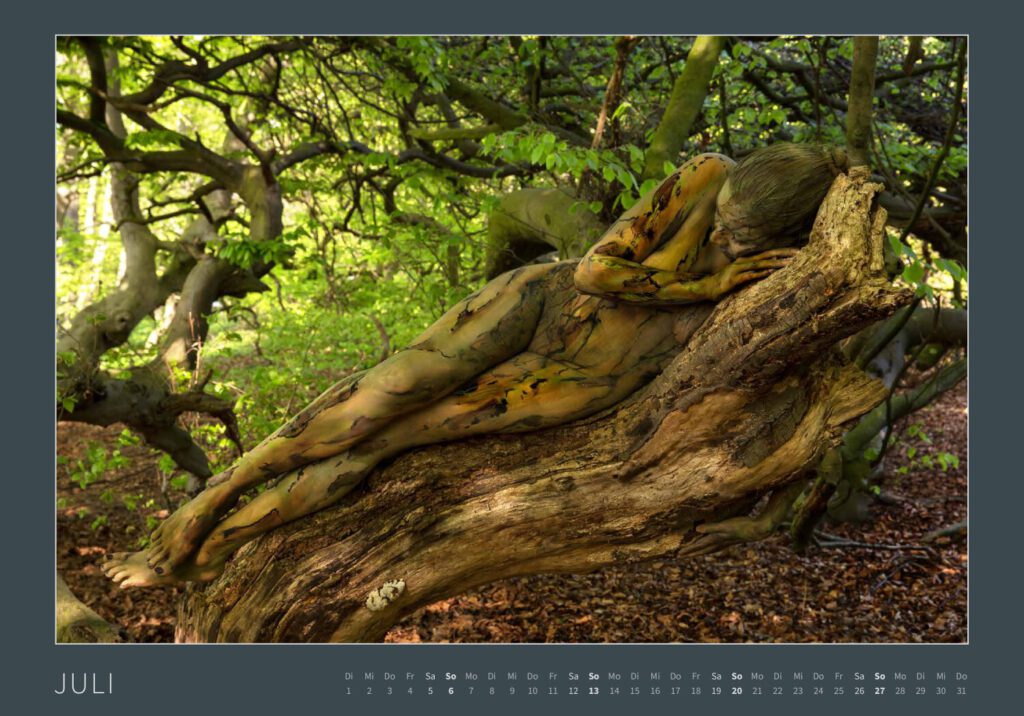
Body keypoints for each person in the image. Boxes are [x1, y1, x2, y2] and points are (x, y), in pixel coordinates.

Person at [102, 142, 849, 587]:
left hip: (582, 379)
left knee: (386, 440)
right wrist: (706, 282)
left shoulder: (798, 272)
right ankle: (198, 508)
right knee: (382, 391)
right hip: (543, 301)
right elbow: (594, 271)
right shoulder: (707, 174)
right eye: (724, 227)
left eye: (743, 243)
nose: (724, 243)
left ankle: (213, 549)